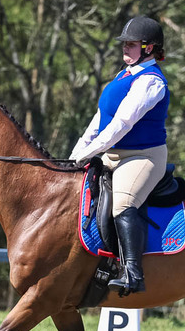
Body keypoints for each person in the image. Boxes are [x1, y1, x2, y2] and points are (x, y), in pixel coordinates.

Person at [69, 15, 169, 297]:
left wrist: (91, 152)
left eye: (132, 44)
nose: (125, 48)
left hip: (142, 157)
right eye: (124, 44)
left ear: (149, 48)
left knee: (122, 203)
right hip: (112, 153)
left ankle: (132, 273)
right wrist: (76, 153)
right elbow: (101, 118)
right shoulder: (123, 75)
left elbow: (121, 124)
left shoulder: (151, 82)